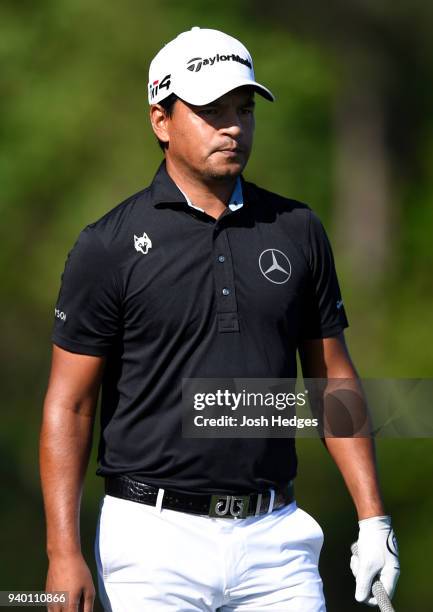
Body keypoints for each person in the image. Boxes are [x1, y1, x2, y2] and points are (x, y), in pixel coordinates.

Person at [40, 26, 400, 612]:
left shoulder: (297, 228)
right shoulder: (107, 245)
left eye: (243, 108)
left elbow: (333, 379)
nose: (232, 125)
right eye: (210, 110)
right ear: (161, 120)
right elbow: (69, 404)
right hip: (152, 541)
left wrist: (372, 518)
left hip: (277, 540)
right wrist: (63, 551)